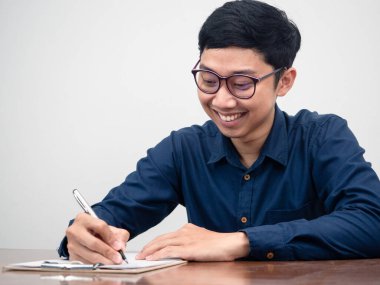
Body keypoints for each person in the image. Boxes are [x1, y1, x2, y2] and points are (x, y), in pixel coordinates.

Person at [58, 0, 380, 263]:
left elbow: (372, 222)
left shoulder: (322, 137)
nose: (222, 101)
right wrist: (84, 235)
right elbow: (111, 216)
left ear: (284, 81)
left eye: (242, 84)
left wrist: (240, 242)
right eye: (209, 80)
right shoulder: (183, 149)